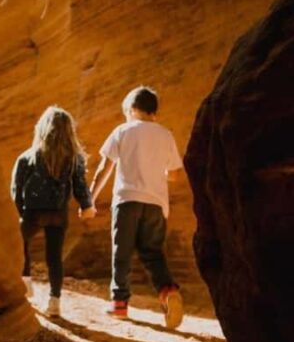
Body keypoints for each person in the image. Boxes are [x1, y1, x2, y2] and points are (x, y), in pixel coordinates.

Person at [89, 86, 184, 328]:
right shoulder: (166, 135)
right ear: (155, 112)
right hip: (155, 204)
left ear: (131, 110)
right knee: (153, 253)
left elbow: (104, 168)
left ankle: (120, 304)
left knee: (122, 252)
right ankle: (168, 291)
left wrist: (89, 199)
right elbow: (174, 175)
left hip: (127, 200)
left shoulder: (122, 131)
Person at [11, 106, 96, 317]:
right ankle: (55, 301)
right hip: (58, 214)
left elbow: (16, 189)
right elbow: (80, 187)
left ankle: (25, 279)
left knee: (18, 242)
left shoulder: (28, 157)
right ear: (69, 132)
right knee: (54, 258)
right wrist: (87, 206)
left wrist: (18, 212)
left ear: (42, 129)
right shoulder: (74, 159)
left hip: (32, 212)